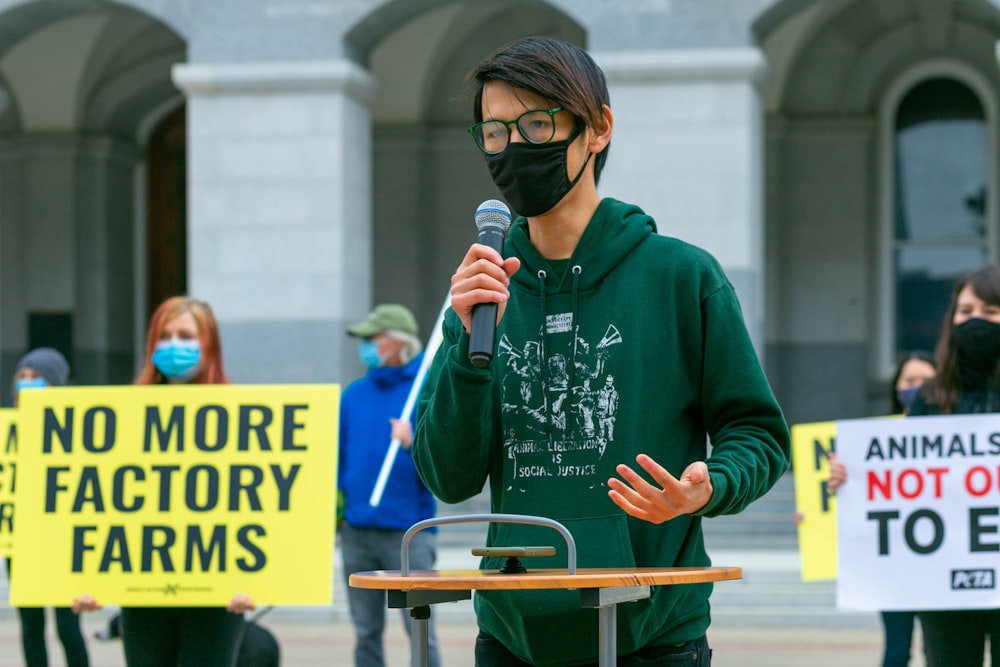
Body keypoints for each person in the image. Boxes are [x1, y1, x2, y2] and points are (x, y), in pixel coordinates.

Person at [412, 36, 791, 666]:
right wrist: (462, 346)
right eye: (496, 132)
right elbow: (448, 477)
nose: (515, 147)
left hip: (653, 632)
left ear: (597, 129)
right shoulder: (483, 291)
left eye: (536, 123)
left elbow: (758, 433)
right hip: (512, 636)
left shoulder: (683, 277)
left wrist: (709, 484)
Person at [73, 296, 256, 667]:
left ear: (209, 345)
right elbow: (104, 501)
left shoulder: (244, 417)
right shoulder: (124, 417)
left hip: (216, 594)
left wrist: (257, 582)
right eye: (165, 336)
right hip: (144, 595)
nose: (174, 346)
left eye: (186, 336)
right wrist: (86, 579)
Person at [907, 266, 1000, 667]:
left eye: (990, 311)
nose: (975, 320)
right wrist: (849, 480)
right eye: (965, 311)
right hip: (942, 579)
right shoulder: (930, 397)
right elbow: (899, 475)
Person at [340, 303, 441, 667]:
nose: (365, 345)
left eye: (372, 338)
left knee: (419, 628)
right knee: (365, 631)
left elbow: (447, 463)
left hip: (408, 534)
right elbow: (339, 460)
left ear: (397, 343)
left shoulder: (427, 389)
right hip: (356, 532)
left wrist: (416, 441)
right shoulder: (353, 395)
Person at [827, 351, 936, 667]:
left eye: (926, 381)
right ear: (896, 387)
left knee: (940, 650)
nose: (917, 388)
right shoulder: (869, 442)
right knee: (897, 650)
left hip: (938, 564)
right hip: (894, 566)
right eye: (910, 380)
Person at [6, 348, 90, 667]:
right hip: (21, 544)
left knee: (69, 626)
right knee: (31, 626)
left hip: (61, 543)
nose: (27, 384)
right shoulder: (9, 433)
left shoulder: (74, 433)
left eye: (36, 378)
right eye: (22, 378)